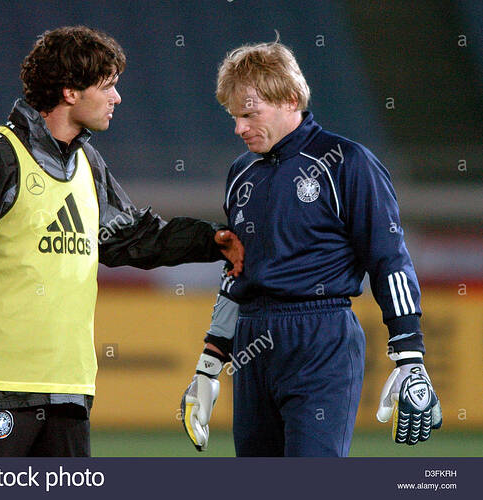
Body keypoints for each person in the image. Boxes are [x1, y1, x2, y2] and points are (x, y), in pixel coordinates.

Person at [0, 25, 243, 457]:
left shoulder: (88, 162)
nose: (117, 98)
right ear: (70, 91)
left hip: (69, 391)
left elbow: (130, 237)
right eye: (107, 85)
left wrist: (211, 240)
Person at [180, 38, 442, 457]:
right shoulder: (239, 173)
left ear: (289, 99)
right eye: (234, 117)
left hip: (321, 339)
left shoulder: (348, 162)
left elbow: (389, 260)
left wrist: (409, 355)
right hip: (252, 342)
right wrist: (209, 364)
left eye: (249, 114)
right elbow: (236, 272)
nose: (239, 128)